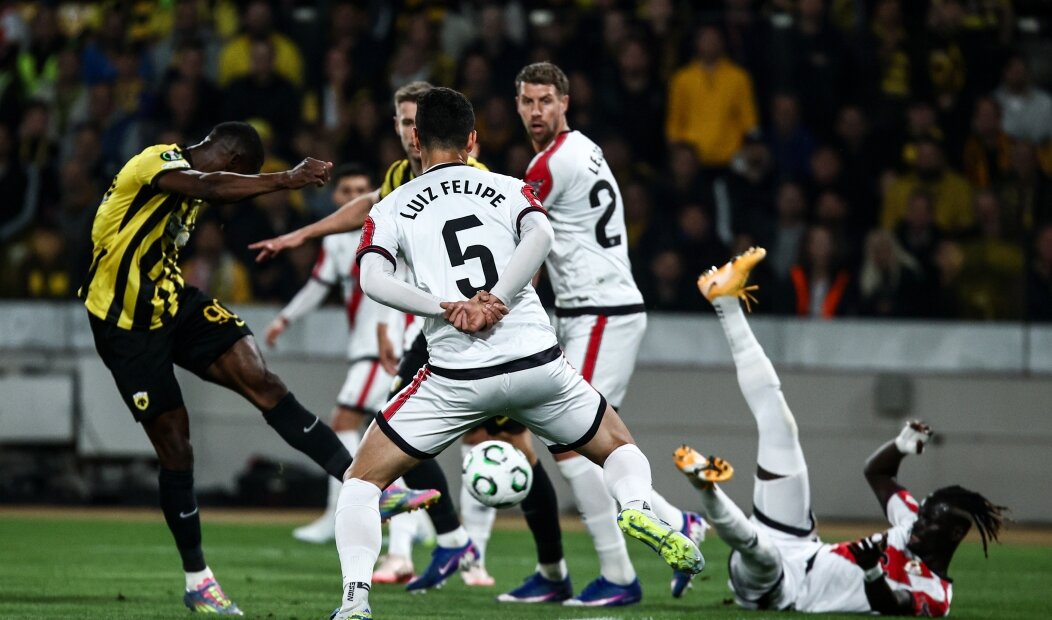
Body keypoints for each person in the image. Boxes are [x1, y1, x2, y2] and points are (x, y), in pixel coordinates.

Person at [327, 87, 703, 620]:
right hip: (537, 365)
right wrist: (497, 299)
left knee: (362, 481)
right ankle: (638, 506)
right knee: (619, 448)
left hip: (456, 377)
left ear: (415, 138)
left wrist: (445, 307)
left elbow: (372, 278)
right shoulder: (507, 186)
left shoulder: (391, 206)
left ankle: (355, 601)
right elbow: (541, 235)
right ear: (472, 139)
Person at [77, 122, 422, 616]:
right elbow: (211, 185)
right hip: (124, 325)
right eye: (246, 176)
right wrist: (286, 179)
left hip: (172, 303)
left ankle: (360, 485)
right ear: (235, 160)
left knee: (263, 382)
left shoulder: (190, 192)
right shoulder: (156, 161)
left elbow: (210, 189)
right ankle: (198, 581)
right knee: (176, 447)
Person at [250, 82, 508, 592]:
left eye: (418, 122)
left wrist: (499, 303)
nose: (412, 132)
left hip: (482, 328)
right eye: (405, 121)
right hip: (432, 329)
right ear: (396, 126)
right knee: (409, 434)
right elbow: (366, 210)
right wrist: (301, 235)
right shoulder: (397, 179)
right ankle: (455, 544)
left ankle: (470, 549)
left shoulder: (474, 178)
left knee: (499, 441)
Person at [680, 246, 1005, 615]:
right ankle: (725, 301)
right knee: (781, 426)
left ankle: (704, 486)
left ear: (955, 534)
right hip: (799, 542)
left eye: (930, 520)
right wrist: (899, 447)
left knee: (762, 553)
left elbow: (894, 605)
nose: (920, 522)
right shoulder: (912, 521)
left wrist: (872, 572)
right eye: (925, 513)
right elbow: (877, 474)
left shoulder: (935, 595)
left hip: (781, 590)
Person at [492, 61, 707, 606]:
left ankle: (619, 574)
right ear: (517, 105)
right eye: (527, 101)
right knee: (582, 440)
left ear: (565, 102)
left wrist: (499, 305)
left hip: (600, 309)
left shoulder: (548, 164)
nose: (536, 111)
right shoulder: (584, 148)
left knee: (571, 442)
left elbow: (526, 244)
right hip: (592, 310)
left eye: (545, 100)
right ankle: (676, 523)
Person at [262, 164, 438, 548]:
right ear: (337, 198)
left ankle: (351, 513)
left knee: (353, 422)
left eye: (362, 189)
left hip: (388, 344)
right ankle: (414, 521)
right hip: (369, 345)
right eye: (348, 190)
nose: (356, 195)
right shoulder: (337, 242)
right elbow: (317, 285)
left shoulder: (389, 224)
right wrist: (285, 319)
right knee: (390, 431)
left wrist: (387, 333)